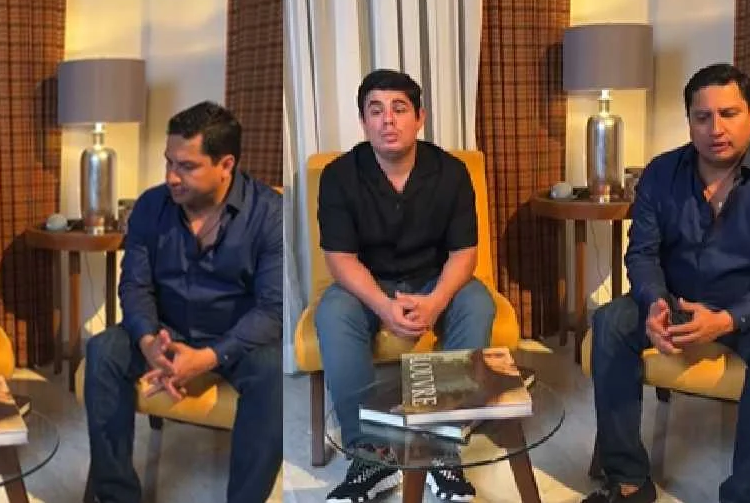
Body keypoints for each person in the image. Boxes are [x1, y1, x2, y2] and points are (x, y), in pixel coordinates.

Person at [582, 63, 750, 503]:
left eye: (728, 114)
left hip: (749, 308)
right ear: (689, 120)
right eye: (703, 117)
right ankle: (629, 481)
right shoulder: (660, 173)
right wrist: (655, 302)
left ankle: (743, 493)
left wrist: (727, 319)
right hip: (673, 297)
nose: (716, 128)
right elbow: (642, 253)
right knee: (610, 321)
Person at [83, 101, 283, 503]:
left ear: (226, 165)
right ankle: (116, 496)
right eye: (169, 162)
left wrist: (208, 357)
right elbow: (135, 285)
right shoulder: (150, 206)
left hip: (236, 338)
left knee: (275, 372)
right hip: (166, 329)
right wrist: (147, 341)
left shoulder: (270, 213)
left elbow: (273, 308)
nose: (171, 177)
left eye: (187, 167)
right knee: (103, 350)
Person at [316, 69, 496, 502]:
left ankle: (441, 446)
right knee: (333, 311)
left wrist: (435, 301)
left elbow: (464, 252)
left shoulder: (451, 172)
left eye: (399, 109)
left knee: (477, 302)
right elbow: (340, 258)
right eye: (375, 110)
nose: (387, 120)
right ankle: (371, 454)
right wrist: (382, 305)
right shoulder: (339, 175)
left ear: (419, 117)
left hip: (434, 276)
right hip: (369, 281)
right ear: (363, 121)